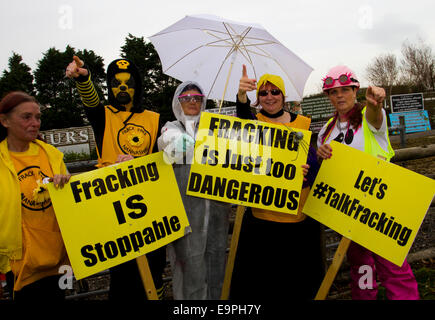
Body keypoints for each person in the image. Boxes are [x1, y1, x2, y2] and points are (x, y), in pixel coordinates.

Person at [65, 56, 166, 300]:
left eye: (128, 82)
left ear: (137, 86)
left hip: (148, 205)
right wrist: (84, 79)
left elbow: (162, 159)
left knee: (155, 267)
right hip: (115, 208)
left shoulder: (154, 118)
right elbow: (90, 101)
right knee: (123, 272)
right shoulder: (103, 116)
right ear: (109, 86)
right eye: (115, 82)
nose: (122, 87)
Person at [316, 65, 420, 300]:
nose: (339, 95)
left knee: (395, 271)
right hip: (350, 211)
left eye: (345, 89)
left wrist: (376, 103)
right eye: (333, 92)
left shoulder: (369, 117)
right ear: (328, 97)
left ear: (355, 90)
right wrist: (321, 155)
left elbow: (376, 116)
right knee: (362, 270)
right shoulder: (326, 130)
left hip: (381, 210)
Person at [229, 65, 324, 300]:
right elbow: (243, 121)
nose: (269, 97)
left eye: (274, 92)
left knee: (297, 281)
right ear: (257, 98)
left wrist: (307, 170)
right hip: (263, 217)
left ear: (283, 95)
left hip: (297, 216)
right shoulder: (254, 120)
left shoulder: (302, 123)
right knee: (265, 281)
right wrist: (242, 96)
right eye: (263, 93)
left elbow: (313, 163)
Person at [157, 81, 231, 300]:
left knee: (216, 262)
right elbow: (169, 149)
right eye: (186, 98)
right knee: (188, 266)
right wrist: (192, 138)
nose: (192, 102)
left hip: (217, 213)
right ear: (177, 102)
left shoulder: (215, 128)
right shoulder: (171, 127)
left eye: (197, 98)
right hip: (186, 216)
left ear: (203, 102)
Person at [0, 91, 71, 301]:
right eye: (26, 117)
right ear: (4, 121)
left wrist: (66, 183)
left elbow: (72, 202)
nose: (35, 123)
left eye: (38, 117)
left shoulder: (52, 154)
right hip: (19, 264)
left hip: (57, 259)